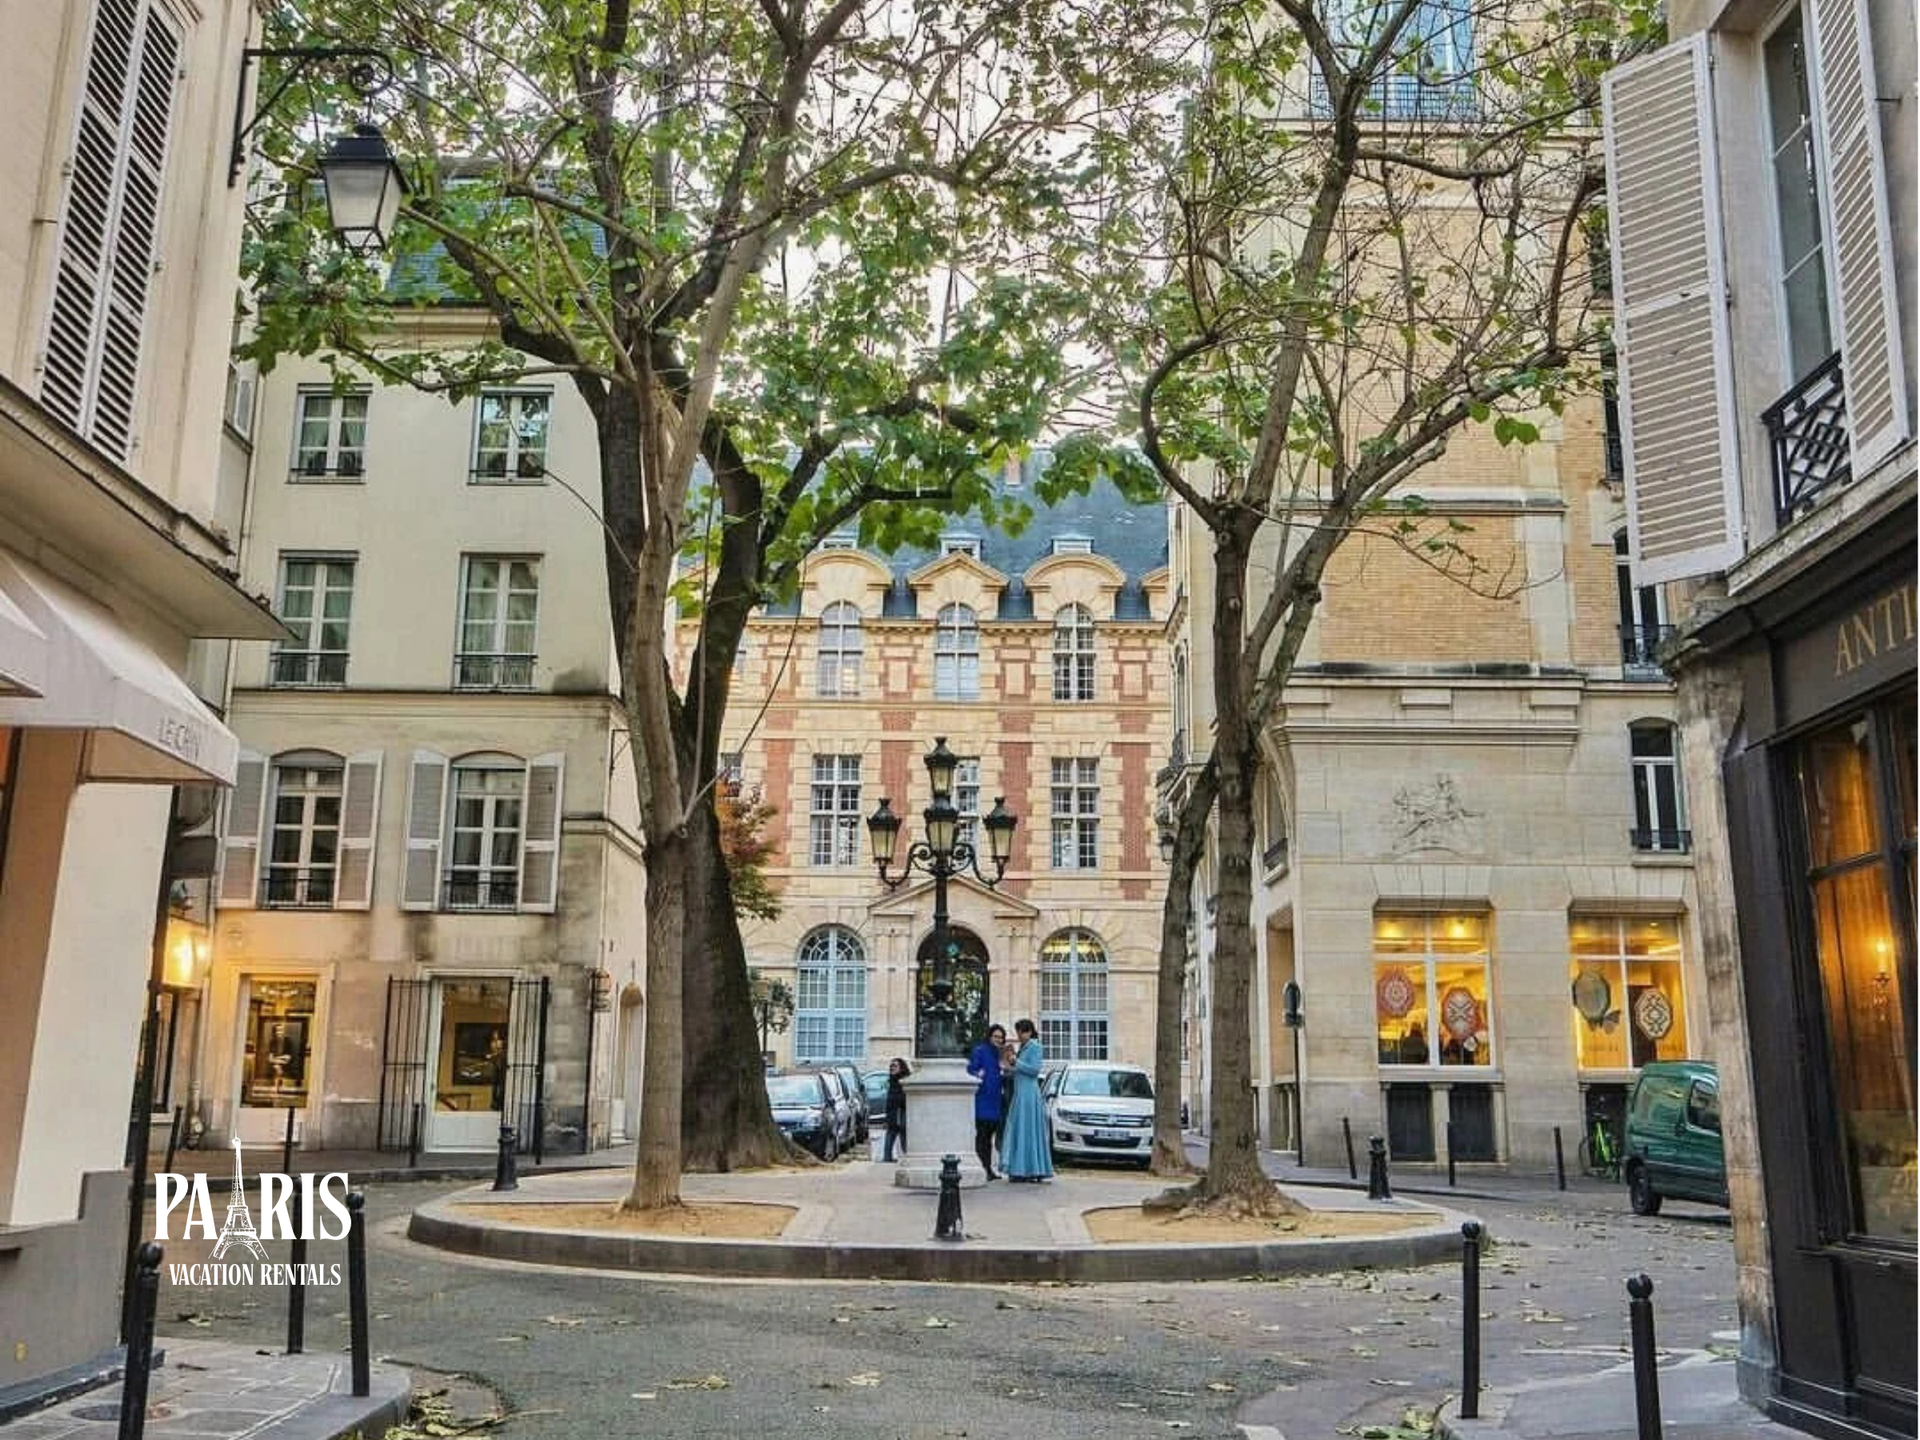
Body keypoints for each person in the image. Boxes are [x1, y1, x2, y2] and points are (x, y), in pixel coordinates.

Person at [998, 1019, 1053, 1182]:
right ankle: (1020, 1168)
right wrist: (1009, 1067)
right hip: (1021, 1092)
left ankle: (1029, 1169)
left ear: (1029, 1032)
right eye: (1018, 1032)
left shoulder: (1035, 1046)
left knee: (1026, 1130)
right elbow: (1022, 1070)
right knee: (1020, 1130)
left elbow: (1034, 1070)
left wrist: (1016, 1062)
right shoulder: (1025, 1047)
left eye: (1022, 1032)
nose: (1020, 1036)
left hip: (1028, 1094)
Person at [966, 1024, 1008, 1179]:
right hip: (982, 1098)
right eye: (996, 1036)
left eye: (1001, 1037)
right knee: (982, 1136)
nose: (998, 1039)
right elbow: (971, 1070)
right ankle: (981, 1168)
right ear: (989, 1037)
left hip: (995, 1099)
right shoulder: (980, 1050)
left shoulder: (1000, 1053)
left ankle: (988, 1168)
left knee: (989, 1137)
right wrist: (979, 1074)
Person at [881, 1057, 911, 1162]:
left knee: (903, 1133)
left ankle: (907, 1156)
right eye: (891, 1066)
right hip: (893, 1112)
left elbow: (904, 1098)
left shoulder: (904, 1081)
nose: (892, 1068)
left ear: (901, 1068)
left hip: (902, 1111)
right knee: (891, 1133)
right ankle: (887, 1157)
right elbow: (890, 1100)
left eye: (895, 1066)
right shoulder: (892, 1081)